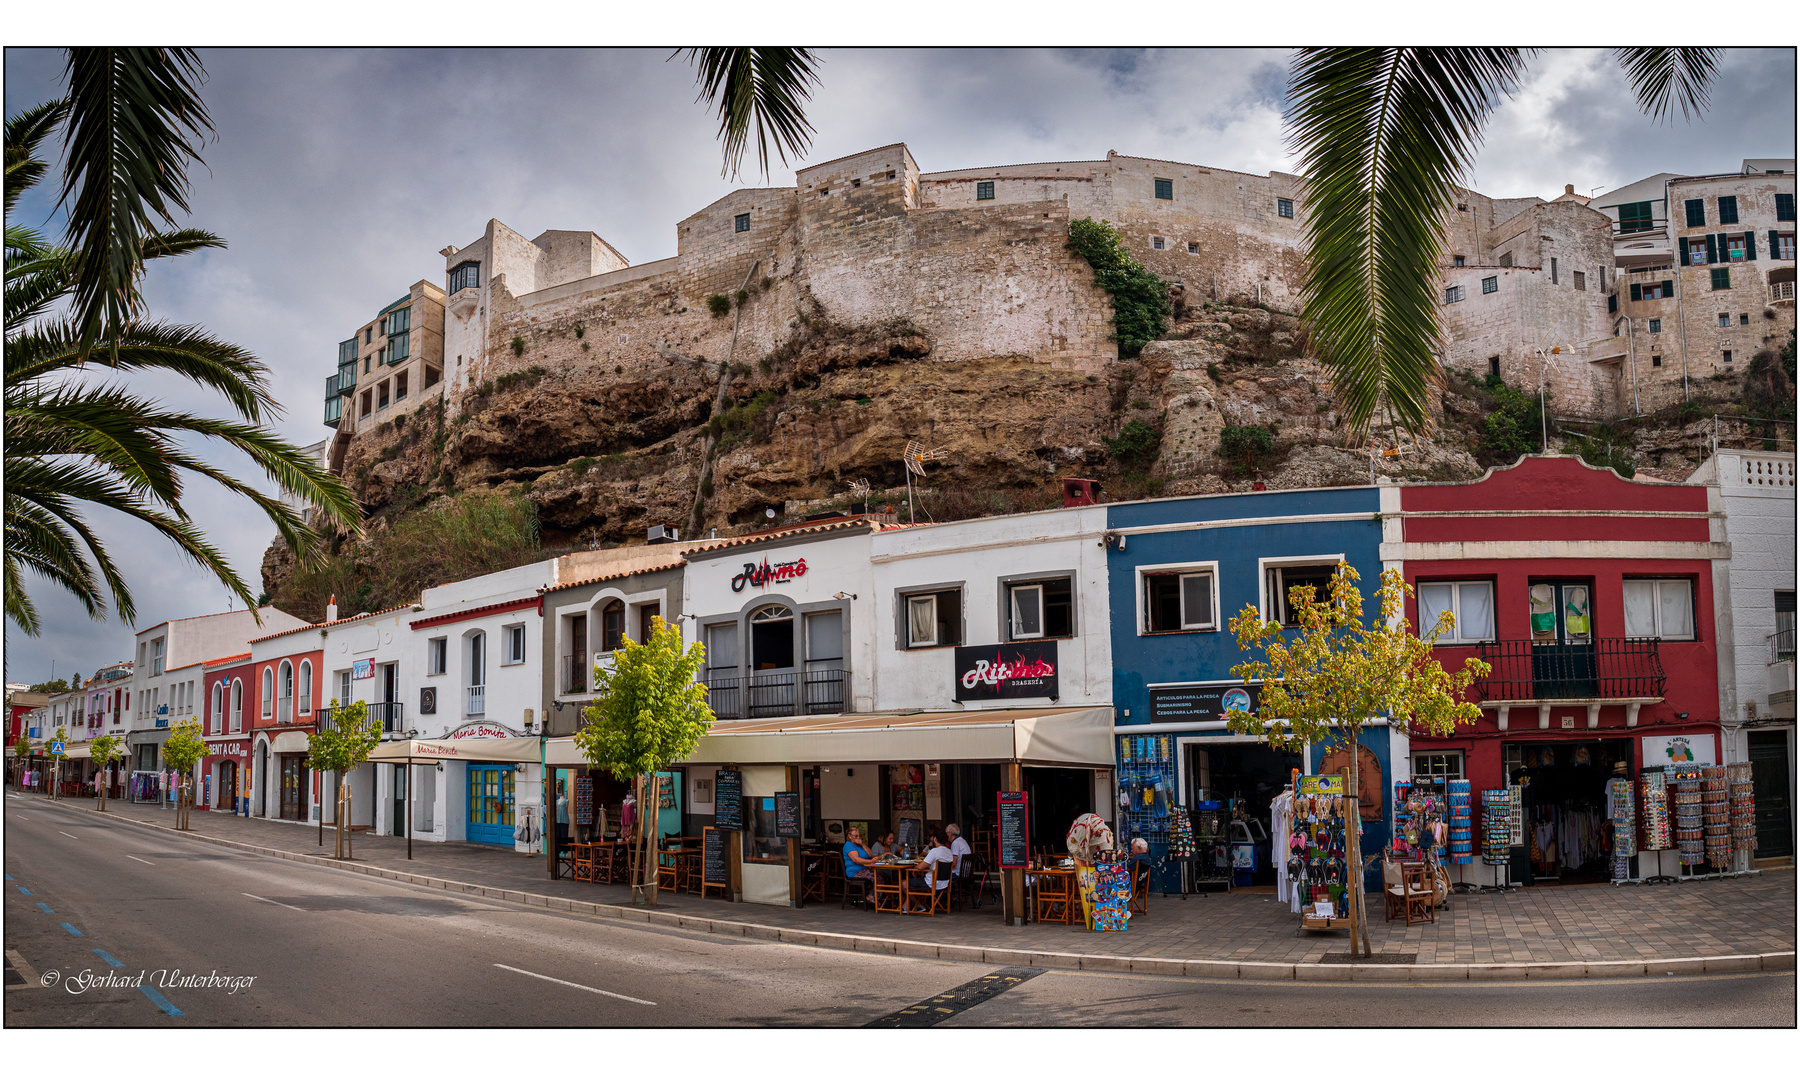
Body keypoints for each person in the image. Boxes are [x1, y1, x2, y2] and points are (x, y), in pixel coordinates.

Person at [910, 832, 954, 911]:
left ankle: (919, 905)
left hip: (931, 883)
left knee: (903, 883)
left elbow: (920, 867)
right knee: (915, 881)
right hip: (944, 883)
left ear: (935, 839)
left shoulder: (934, 851)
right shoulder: (949, 852)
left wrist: (914, 868)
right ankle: (906, 906)